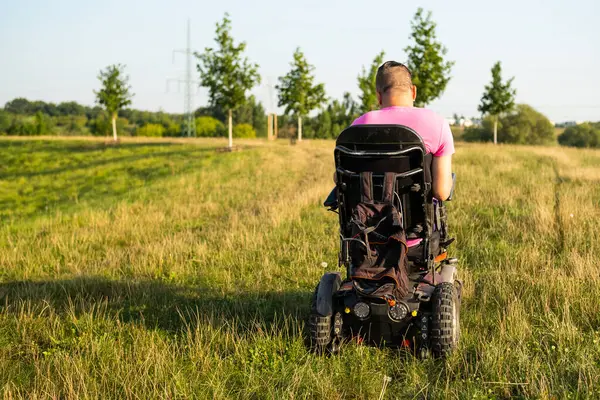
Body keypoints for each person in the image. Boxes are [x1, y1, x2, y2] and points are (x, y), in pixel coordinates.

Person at [350, 61, 455, 201]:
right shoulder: (438, 124)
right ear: (413, 92)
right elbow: (441, 193)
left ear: (379, 96)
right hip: (417, 219)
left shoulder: (358, 126)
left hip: (366, 218)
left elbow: (342, 176)